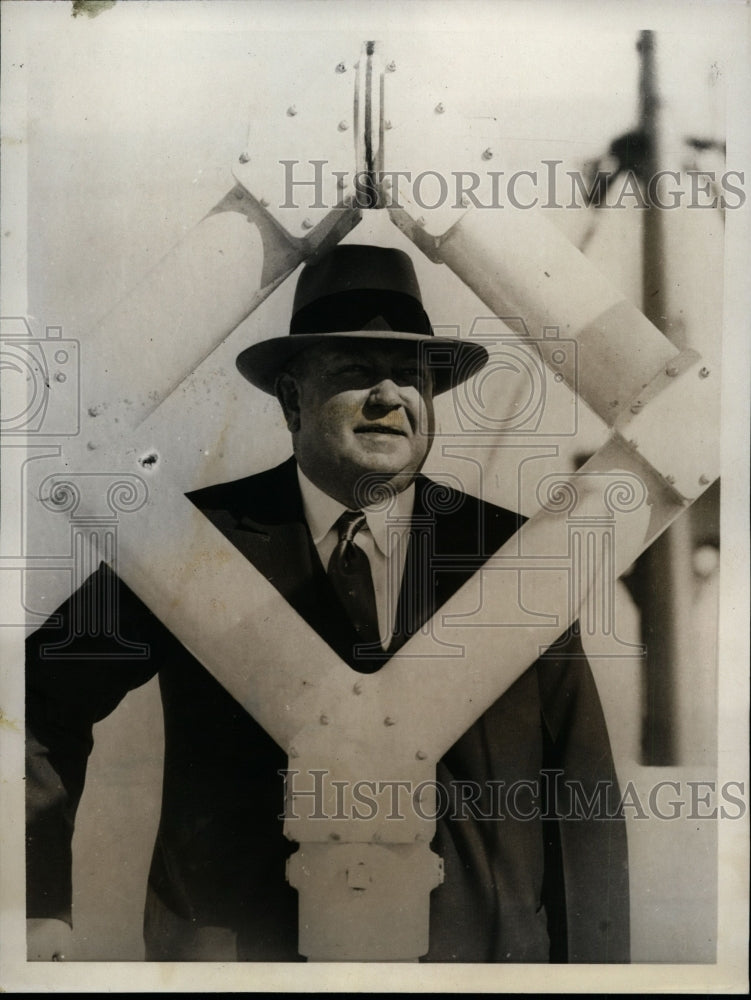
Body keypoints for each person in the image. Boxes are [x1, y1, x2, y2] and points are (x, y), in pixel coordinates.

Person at [26, 244, 629, 963]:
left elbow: (580, 793)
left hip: (476, 971)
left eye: (410, 375)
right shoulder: (191, 543)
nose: (389, 396)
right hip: (245, 971)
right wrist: (33, 906)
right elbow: (32, 702)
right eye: (352, 371)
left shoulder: (512, 554)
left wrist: (594, 972)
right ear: (291, 400)